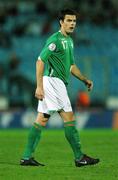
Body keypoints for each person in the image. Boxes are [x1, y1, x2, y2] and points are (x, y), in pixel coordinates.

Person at [20, 9, 100, 167]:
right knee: (69, 119)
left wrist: (84, 79)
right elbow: (39, 61)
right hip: (53, 83)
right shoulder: (55, 39)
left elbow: (71, 66)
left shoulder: (69, 41)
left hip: (56, 83)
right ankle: (79, 157)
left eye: (74, 21)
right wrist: (39, 87)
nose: (72, 24)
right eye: (69, 21)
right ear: (61, 22)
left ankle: (26, 157)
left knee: (41, 120)